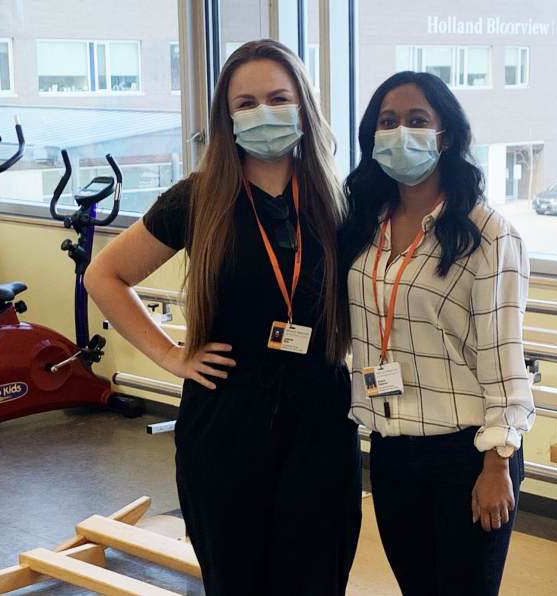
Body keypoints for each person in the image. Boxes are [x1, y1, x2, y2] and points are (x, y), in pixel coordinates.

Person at [85, 39, 361, 596]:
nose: (264, 113)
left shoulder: (339, 199)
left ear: (304, 106)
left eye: (278, 98)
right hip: (228, 417)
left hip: (320, 419)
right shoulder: (198, 198)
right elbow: (103, 276)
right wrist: (168, 353)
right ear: (226, 116)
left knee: (317, 579)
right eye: (246, 103)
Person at [339, 71, 535, 596]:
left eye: (417, 120)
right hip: (391, 450)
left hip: (468, 454)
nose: (400, 130)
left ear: (444, 136)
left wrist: (498, 463)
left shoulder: (487, 233)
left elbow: (504, 358)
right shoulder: (364, 225)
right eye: (387, 121)